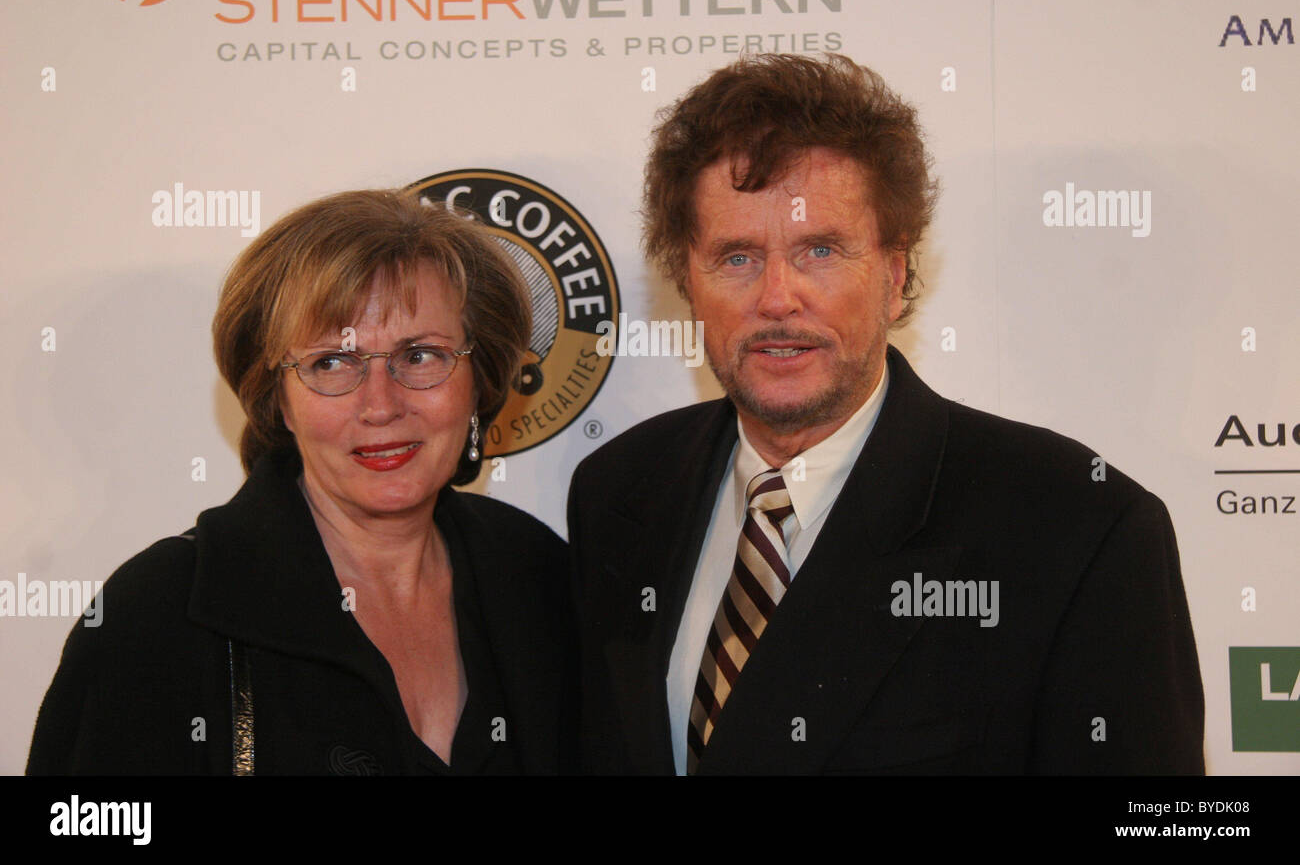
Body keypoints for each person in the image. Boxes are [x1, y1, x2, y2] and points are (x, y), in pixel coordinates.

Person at [567, 54, 1204, 774]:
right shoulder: (619, 492)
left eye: (821, 250)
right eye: (738, 257)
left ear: (895, 278)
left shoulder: (1077, 529)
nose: (778, 298)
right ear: (688, 278)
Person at [28, 190, 575, 774]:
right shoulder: (162, 613)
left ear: (480, 378)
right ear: (279, 402)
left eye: (419, 355)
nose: (381, 406)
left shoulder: (537, 576)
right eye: (332, 364)